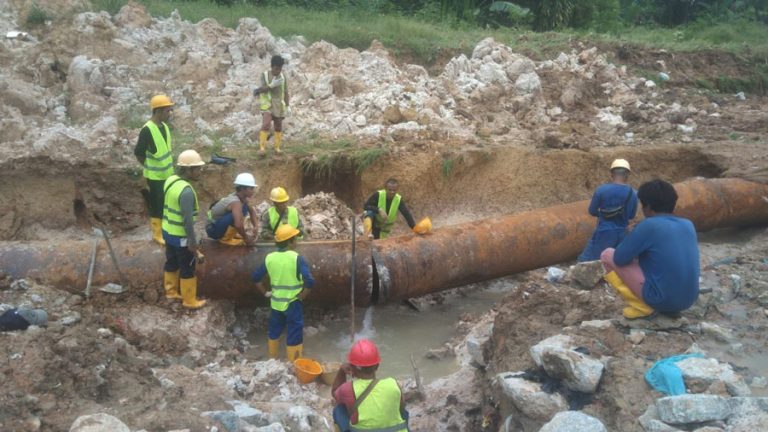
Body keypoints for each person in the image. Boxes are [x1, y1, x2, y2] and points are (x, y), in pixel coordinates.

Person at [600, 179, 700, 319]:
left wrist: (631, 237)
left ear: (648, 206)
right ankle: (662, 306)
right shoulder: (688, 224)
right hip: (688, 300)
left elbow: (619, 259)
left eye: (642, 205)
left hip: (662, 300)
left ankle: (643, 307)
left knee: (607, 255)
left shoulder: (649, 225)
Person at [252, 224, 314, 361]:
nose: (296, 241)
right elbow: (309, 280)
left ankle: (272, 359)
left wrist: (265, 293)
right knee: (294, 331)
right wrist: (303, 295)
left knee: (274, 330)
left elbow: (256, 278)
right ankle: (293, 362)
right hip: (292, 303)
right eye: (295, 239)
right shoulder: (296, 258)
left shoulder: (270, 258)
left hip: (276, 302)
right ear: (290, 241)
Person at [331, 339, 409, 432]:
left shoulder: (347, 389)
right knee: (403, 412)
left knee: (338, 409)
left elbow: (334, 392)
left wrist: (341, 371)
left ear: (352, 367)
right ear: (377, 366)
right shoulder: (393, 384)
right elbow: (402, 407)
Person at [162, 149, 207, 309]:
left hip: (167, 232)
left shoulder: (171, 180)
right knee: (187, 267)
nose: (200, 171)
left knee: (171, 262)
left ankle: (171, 292)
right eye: (198, 168)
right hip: (181, 236)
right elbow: (187, 221)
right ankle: (189, 301)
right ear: (189, 170)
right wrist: (192, 243)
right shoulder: (186, 191)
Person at [578, 159, 638, 262]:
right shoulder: (634, 193)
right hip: (623, 234)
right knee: (616, 263)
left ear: (611, 173)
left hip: (604, 232)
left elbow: (592, 211)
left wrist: (603, 214)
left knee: (593, 261)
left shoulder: (601, 190)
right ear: (627, 174)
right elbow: (631, 216)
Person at [134, 94, 175, 245]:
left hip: (167, 174)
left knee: (166, 203)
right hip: (155, 176)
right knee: (156, 205)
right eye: (167, 111)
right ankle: (157, 234)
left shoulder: (164, 127)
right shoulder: (147, 130)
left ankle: (165, 229)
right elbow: (138, 152)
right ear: (158, 111)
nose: (169, 114)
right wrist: (149, 167)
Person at [206, 173, 259, 246]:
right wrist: (246, 239)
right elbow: (238, 225)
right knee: (238, 214)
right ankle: (225, 239)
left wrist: (256, 226)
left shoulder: (243, 199)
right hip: (212, 230)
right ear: (242, 189)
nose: (253, 191)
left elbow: (252, 211)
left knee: (244, 208)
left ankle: (230, 235)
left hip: (219, 225)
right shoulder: (235, 201)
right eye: (251, 188)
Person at [254, 55, 290, 154]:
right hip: (268, 105)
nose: (278, 71)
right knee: (266, 124)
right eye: (276, 68)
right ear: (272, 66)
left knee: (278, 126)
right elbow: (260, 90)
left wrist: (288, 106)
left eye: (280, 69)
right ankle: (262, 148)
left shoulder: (282, 77)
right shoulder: (264, 75)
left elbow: (286, 92)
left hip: (278, 106)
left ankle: (277, 148)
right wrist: (271, 85)